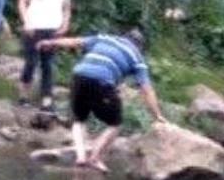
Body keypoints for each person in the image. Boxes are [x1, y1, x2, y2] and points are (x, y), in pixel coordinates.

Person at [39, 27, 166, 171]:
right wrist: (157, 116)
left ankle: (80, 157)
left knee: (78, 120)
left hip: (79, 76)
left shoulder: (104, 38)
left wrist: (50, 42)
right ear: (140, 46)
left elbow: (75, 41)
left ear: (123, 36)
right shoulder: (137, 56)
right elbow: (146, 89)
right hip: (102, 81)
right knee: (115, 124)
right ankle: (94, 158)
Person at [17, 0, 72, 112]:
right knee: (30, 63)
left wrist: (65, 24)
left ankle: (46, 100)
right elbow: (22, 2)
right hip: (33, 27)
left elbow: (66, 7)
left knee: (48, 65)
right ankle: (23, 96)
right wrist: (26, 21)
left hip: (53, 29)